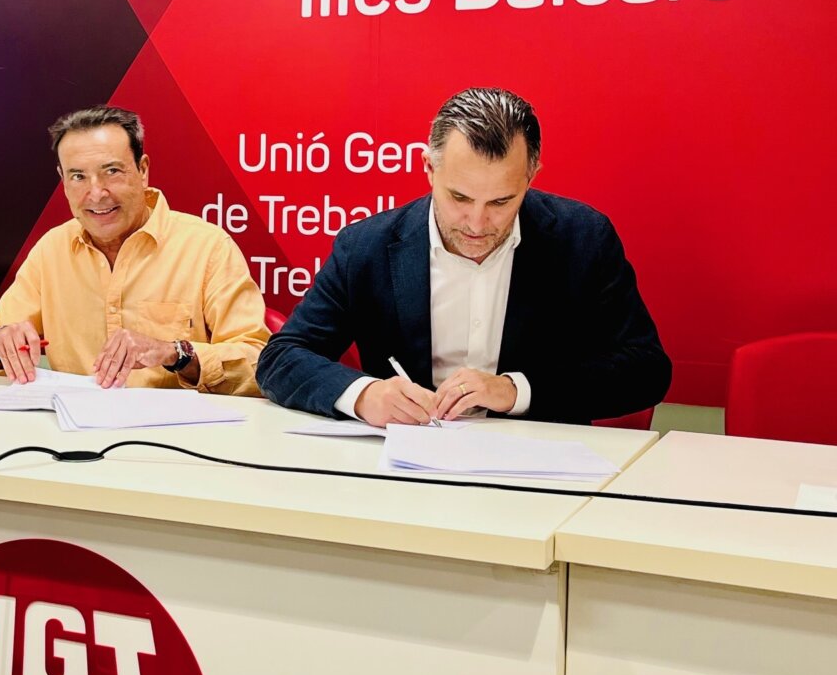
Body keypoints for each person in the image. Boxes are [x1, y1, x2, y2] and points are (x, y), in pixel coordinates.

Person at [256, 87, 671, 426]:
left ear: (532, 177)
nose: (477, 222)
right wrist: (365, 395)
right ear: (429, 169)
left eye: (502, 201)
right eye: (459, 197)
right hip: (404, 467)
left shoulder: (582, 239)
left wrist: (515, 390)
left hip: (539, 472)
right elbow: (282, 357)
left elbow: (646, 369)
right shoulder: (367, 246)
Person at [0, 105, 269, 395]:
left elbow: (260, 363)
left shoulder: (207, 248)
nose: (96, 194)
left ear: (143, 170)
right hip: (72, 434)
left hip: (176, 437)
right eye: (78, 176)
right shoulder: (51, 250)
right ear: (63, 181)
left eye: (111, 171)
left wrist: (175, 353)